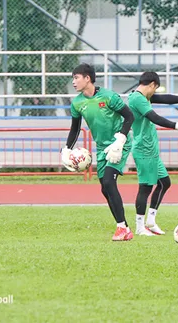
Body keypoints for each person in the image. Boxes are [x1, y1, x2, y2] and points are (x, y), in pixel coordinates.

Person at [62, 64, 135, 241]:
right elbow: (75, 129)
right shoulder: (77, 103)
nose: (73, 82)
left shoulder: (109, 97)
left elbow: (130, 116)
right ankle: (124, 227)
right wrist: (66, 149)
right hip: (102, 148)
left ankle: (121, 228)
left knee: (109, 181)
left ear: (88, 78)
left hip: (119, 144)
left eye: (76, 77)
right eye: (73, 78)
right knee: (105, 188)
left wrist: (121, 138)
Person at [128, 72, 178, 236]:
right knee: (146, 187)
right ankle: (140, 227)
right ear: (152, 84)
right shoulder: (136, 98)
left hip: (151, 149)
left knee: (164, 183)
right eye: (155, 89)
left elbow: (165, 98)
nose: (155, 93)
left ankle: (151, 221)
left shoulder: (144, 96)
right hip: (143, 149)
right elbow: (154, 117)